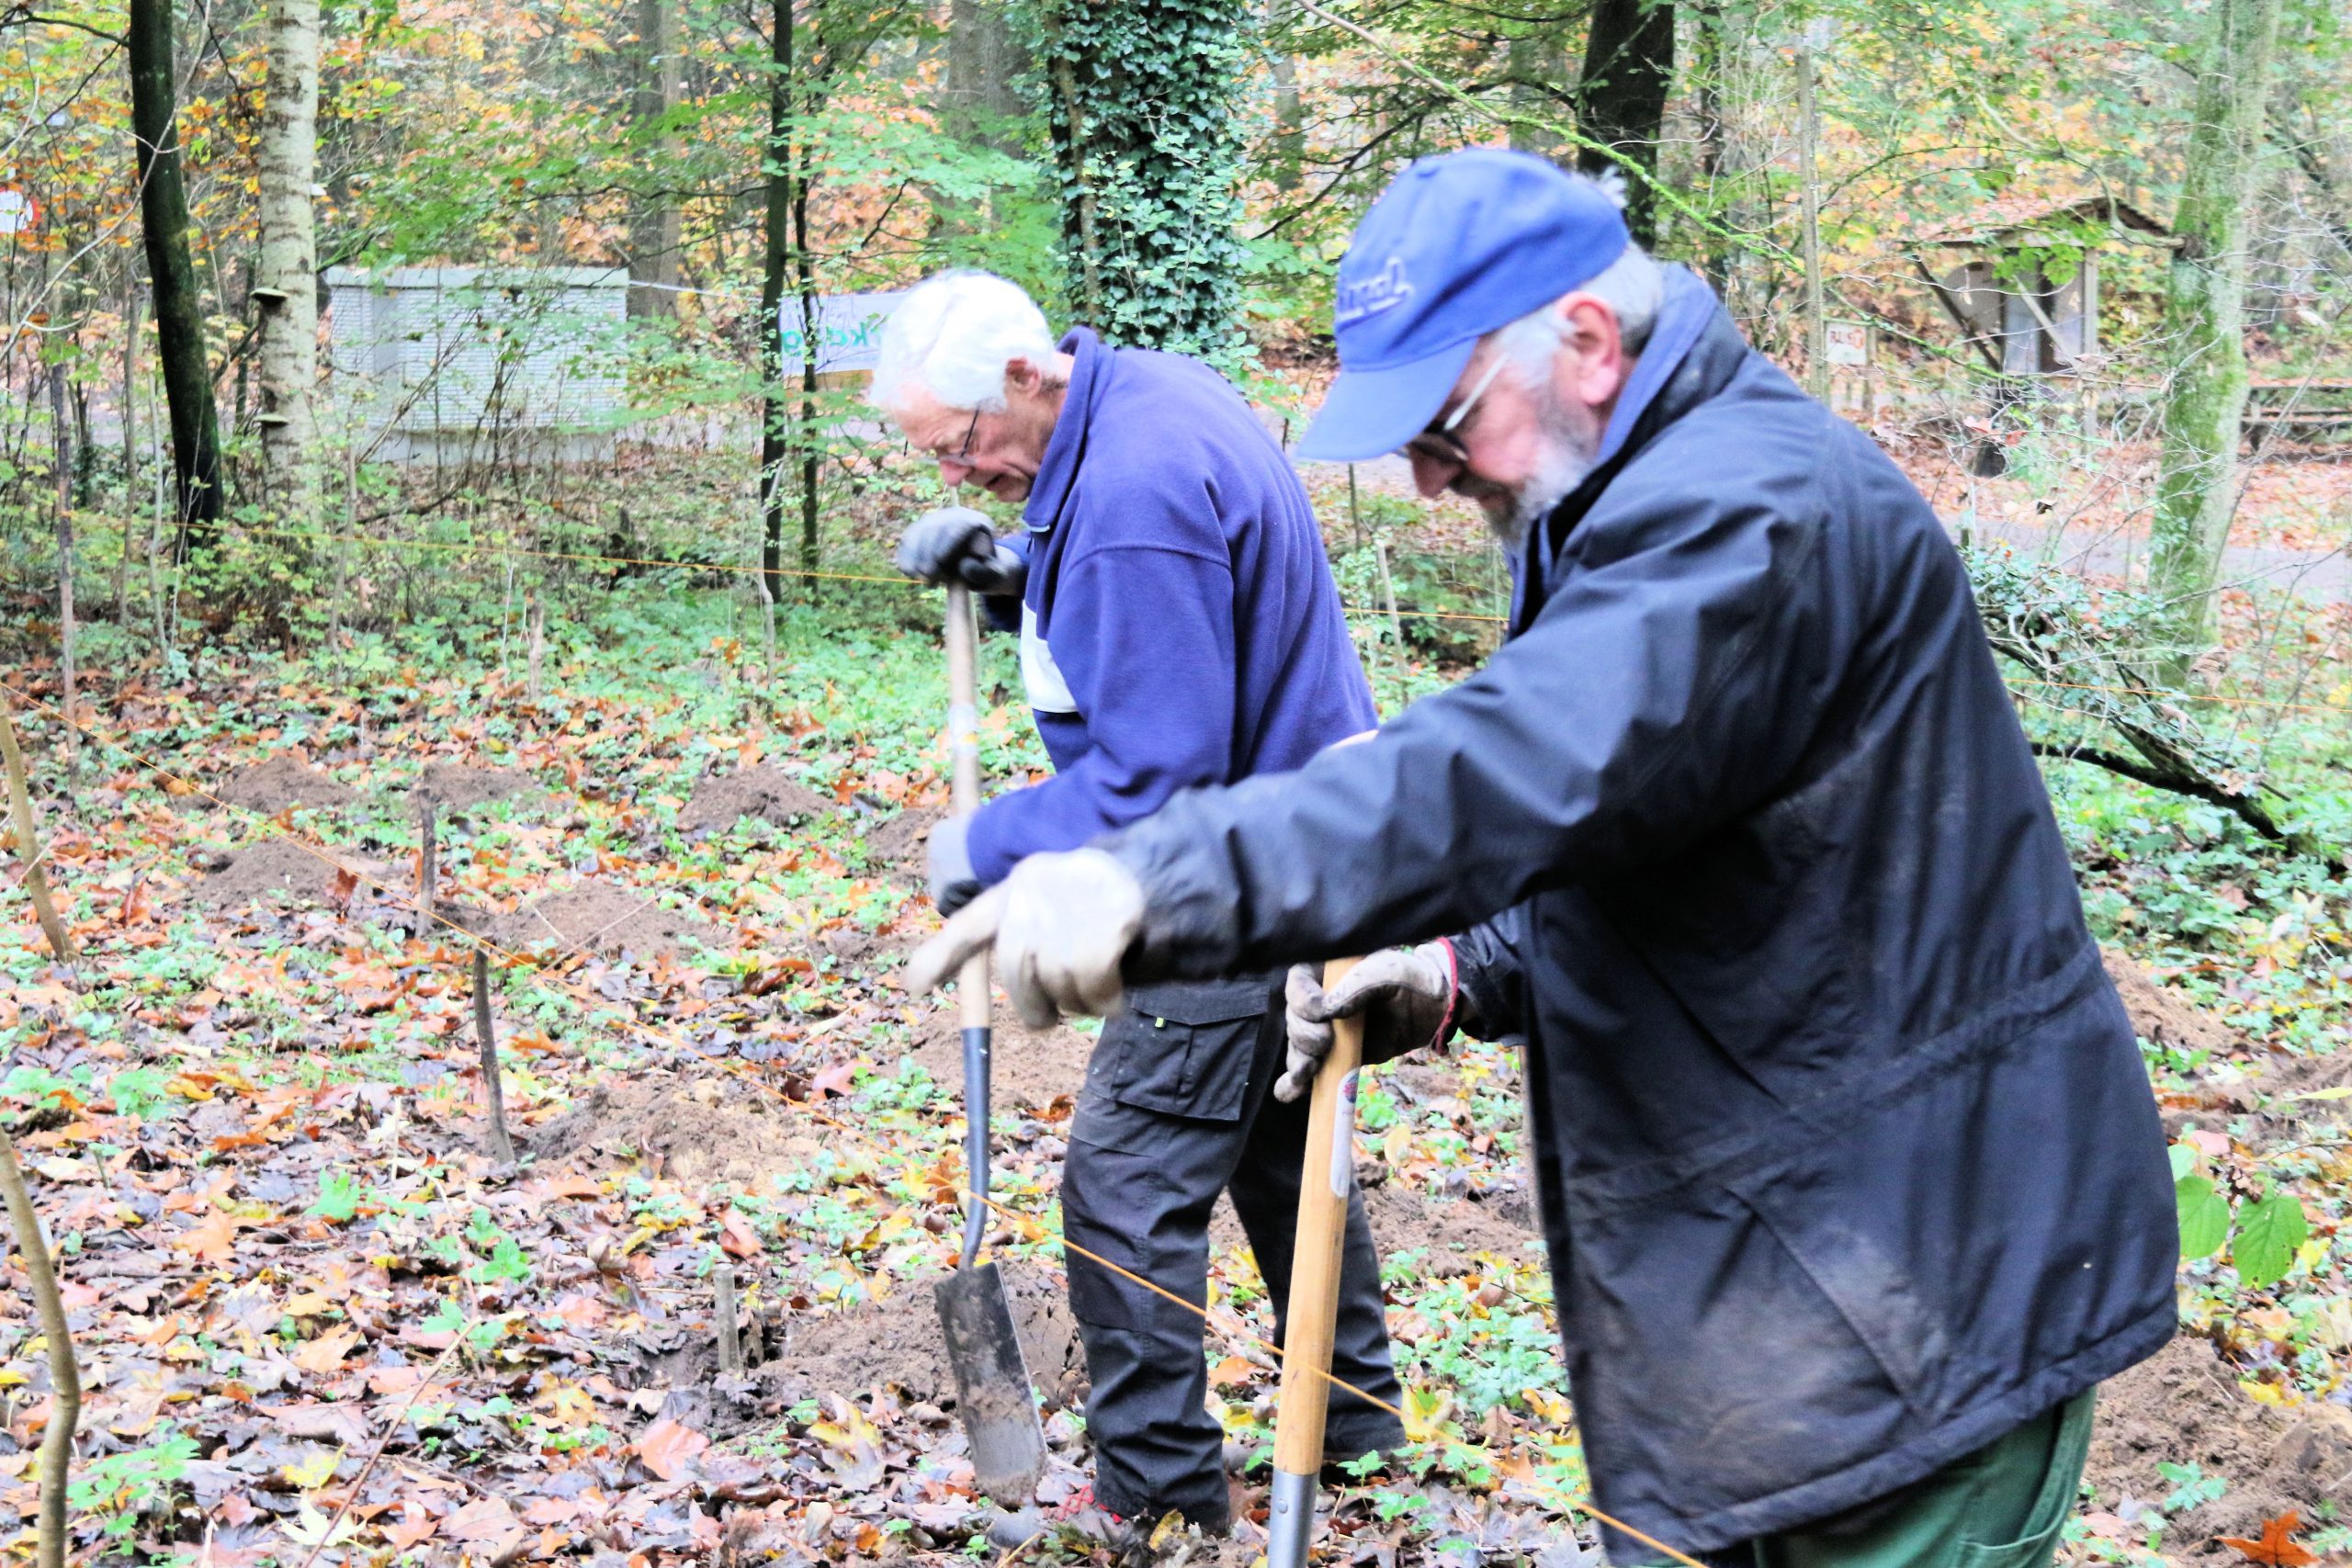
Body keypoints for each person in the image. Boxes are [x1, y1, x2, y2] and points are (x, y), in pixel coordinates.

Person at [908, 152, 2178, 1566]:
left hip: (1913, 1283)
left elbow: (1510, 769)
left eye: (1445, 424)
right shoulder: (1613, 488)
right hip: (1782, 1289)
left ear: (1586, 338)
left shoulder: (1752, 513)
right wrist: (1449, 974)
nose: (1424, 473)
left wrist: (1153, 880)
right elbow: (1644, 817)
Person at [870, 271, 1408, 1538]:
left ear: (1022, 380)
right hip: (1301, 839)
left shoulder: (1123, 495)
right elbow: (1162, 621)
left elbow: (1158, 770)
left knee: (1125, 1185)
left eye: (963, 448)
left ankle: (1159, 1496)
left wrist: (988, 841)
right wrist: (1014, 572)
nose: (963, 472)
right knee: (1278, 1143)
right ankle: (1362, 1430)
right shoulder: (1144, 399)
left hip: (1228, 876)